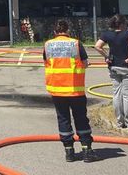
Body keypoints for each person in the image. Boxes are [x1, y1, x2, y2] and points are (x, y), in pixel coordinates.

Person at [43, 20, 101, 162]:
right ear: (68, 30)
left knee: (63, 119)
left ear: (55, 32)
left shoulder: (48, 45)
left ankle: (69, 152)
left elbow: (46, 62)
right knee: (81, 118)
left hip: (57, 90)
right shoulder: (76, 43)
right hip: (75, 90)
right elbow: (85, 63)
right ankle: (87, 151)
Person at [94, 15, 128, 128]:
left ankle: (120, 122)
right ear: (122, 24)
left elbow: (97, 46)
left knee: (117, 94)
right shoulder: (127, 33)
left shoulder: (107, 34)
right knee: (127, 95)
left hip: (114, 66)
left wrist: (106, 56)